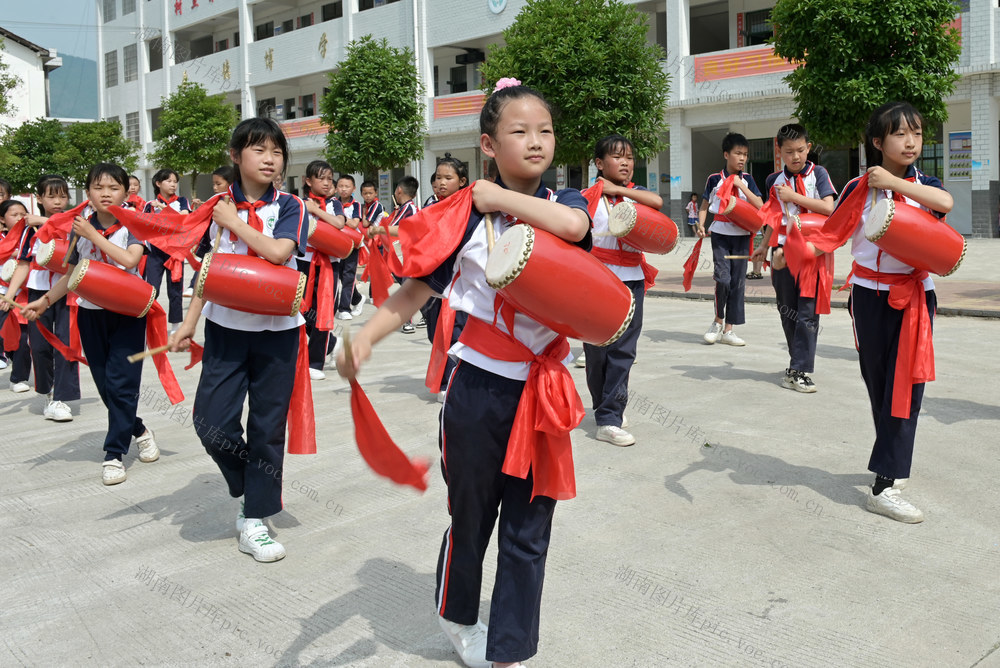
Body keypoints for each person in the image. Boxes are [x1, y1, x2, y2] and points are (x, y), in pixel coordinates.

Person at [338, 79, 592, 668]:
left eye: (545, 131)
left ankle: (508, 650)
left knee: (531, 527)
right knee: (471, 517)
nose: (536, 141)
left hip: (543, 394)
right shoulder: (460, 221)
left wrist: (492, 197)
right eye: (519, 131)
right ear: (488, 143)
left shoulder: (566, 203)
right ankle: (459, 618)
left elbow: (576, 232)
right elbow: (416, 290)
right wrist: (366, 338)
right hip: (477, 389)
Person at [168, 117, 309, 562]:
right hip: (226, 329)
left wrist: (235, 221)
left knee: (267, 429)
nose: (270, 159)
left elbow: (279, 253)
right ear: (235, 156)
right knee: (211, 422)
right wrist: (190, 321)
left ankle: (254, 516)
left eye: (277, 152)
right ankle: (253, 485)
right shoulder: (213, 207)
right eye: (259, 150)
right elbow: (207, 268)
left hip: (278, 332)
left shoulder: (291, 206)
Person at [809, 102, 952, 524]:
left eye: (918, 133)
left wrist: (894, 182)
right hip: (869, 298)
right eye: (900, 134)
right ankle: (890, 456)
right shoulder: (859, 188)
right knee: (879, 385)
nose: (911, 142)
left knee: (905, 389)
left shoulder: (926, 185)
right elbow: (830, 233)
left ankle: (886, 484)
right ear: (877, 142)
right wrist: (786, 252)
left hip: (913, 298)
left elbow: (944, 203)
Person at [21, 164, 159, 485]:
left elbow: (130, 261)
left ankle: (113, 454)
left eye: (113, 187)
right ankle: (138, 428)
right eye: (98, 188)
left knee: (122, 384)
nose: (106, 193)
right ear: (88, 193)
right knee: (106, 385)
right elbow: (71, 274)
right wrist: (44, 301)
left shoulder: (134, 224)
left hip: (127, 313)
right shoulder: (78, 228)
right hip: (90, 313)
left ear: (126, 192)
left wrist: (93, 235)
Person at [582, 134, 663, 447]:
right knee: (596, 351)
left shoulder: (636, 194)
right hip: (596, 280)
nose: (626, 162)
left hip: (631, 279)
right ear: (600, 164)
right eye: (617, 157)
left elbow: (657, 204)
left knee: (623, 351)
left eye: (629, 157)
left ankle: (610, 417)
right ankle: (604, 406)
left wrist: (617, 190)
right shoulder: (587, 197)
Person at [752, 123, 837, 393]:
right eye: (789, 152)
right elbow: (772, 217)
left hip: (811, 254)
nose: (796, 157)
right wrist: (763, 246)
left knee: (807, 314)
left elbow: (828, 208)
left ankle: (799, 369)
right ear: (780, 152)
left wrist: (794, 196)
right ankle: (796, 364)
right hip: (781, 255)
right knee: (787, 310)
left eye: (801, 150)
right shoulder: (772, 181)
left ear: (808, 148)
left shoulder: (819, 174)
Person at [4, 175, 81, 419]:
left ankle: (62, 399)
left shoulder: (76, 222)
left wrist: (47, 220)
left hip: (68, 290)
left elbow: (73, 229)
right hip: (38, 293)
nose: (58, 201)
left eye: (62, 196)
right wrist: (9, 293)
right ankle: (48, 392)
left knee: (65, 344)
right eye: (51, 196)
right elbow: (24, 264)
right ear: (39, 198)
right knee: (38, 346)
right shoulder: (31, 230)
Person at [696, 133, 763, 346]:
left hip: (742, 235)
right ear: (726, 154)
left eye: (745, 155)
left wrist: (741, 186)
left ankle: (729, 330)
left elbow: (761, 205)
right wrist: (700, 225)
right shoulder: (714, 179)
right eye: (738, 153)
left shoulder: (748, 180)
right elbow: (705, 205)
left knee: (738, 282)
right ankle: (717, 321)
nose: (742, 158)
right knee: (723, 278)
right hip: (721, 235)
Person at [421, 154, 470, 400]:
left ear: (461, 181)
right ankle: (444, 377)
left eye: (447, 178)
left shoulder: (469, 206)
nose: (441, 182)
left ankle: (450, 381)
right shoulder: (430, 205)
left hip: (460, 281)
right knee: (434, 332)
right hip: (432, 281)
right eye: (438, 177)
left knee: (455, 332)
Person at [299, 160, 346, 381]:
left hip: (328, 263)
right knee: (299, 309)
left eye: (330, 178)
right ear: (308, 181)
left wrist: (316, 210)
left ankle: (315, 362)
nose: (326, 183)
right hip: (302, 261)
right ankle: (333, 343)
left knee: (324, 309)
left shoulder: (334, 203)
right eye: (321, 178)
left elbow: (338, 224)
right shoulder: (298, 202)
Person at [142, 169, 190, 333]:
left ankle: (175, 327)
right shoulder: (149, 205)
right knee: (151, 289)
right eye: (169, 181)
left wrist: (162, 208)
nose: (173, 184)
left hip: (175, 252)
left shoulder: (182, 201)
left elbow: (183, 219)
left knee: (175, 290)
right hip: (155, 252)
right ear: (158, 183)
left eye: (175, 181)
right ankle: (149, 323)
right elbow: (143, 225)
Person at [370, 176, 420, 333]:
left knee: (406, 289)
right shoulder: (404, 208)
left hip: (410, 256)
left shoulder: (410, 209)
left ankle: (407, 321)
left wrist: (379, 229)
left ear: (399, 190)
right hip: (402, 255)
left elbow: (403, 230)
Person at [184, 166, 234, 298]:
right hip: (213, 247)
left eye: (219, 184)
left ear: (231, 184)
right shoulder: (216, 201)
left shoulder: (236, 204)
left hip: (229, 253)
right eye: (214, 184)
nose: (215, 188)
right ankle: (193, 287)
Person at [0, 199, 31, 378]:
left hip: (24, 294)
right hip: (3, 293)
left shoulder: (32, 235)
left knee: (23, 339)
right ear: (2, 219)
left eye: (22, 214)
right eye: (14, 215)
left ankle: (18, 377)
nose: (20, 218)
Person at [334, 175, 362, 321]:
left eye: (347, 186)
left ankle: (344, 308)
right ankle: (357, 298)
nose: (343, 189)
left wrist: (341, 219)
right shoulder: (332, 203)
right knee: (339, 274)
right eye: (341, 186)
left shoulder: (356, 205)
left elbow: (355, 224)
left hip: (352, 244)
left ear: (353, 189)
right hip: (336, 243)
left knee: (348, 275)